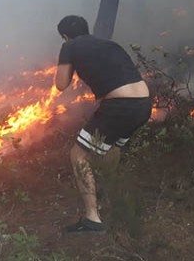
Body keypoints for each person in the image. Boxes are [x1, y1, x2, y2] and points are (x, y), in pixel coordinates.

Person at [54, 15, 151, 234]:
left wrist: (67, 56)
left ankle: (92, 219)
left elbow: (60, 85)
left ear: (64, 36)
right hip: (143, 103)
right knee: (112, 147)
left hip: (120, 106)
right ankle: (110, 191)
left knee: (78, 155)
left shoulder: (69, 45)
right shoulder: (109, 44)